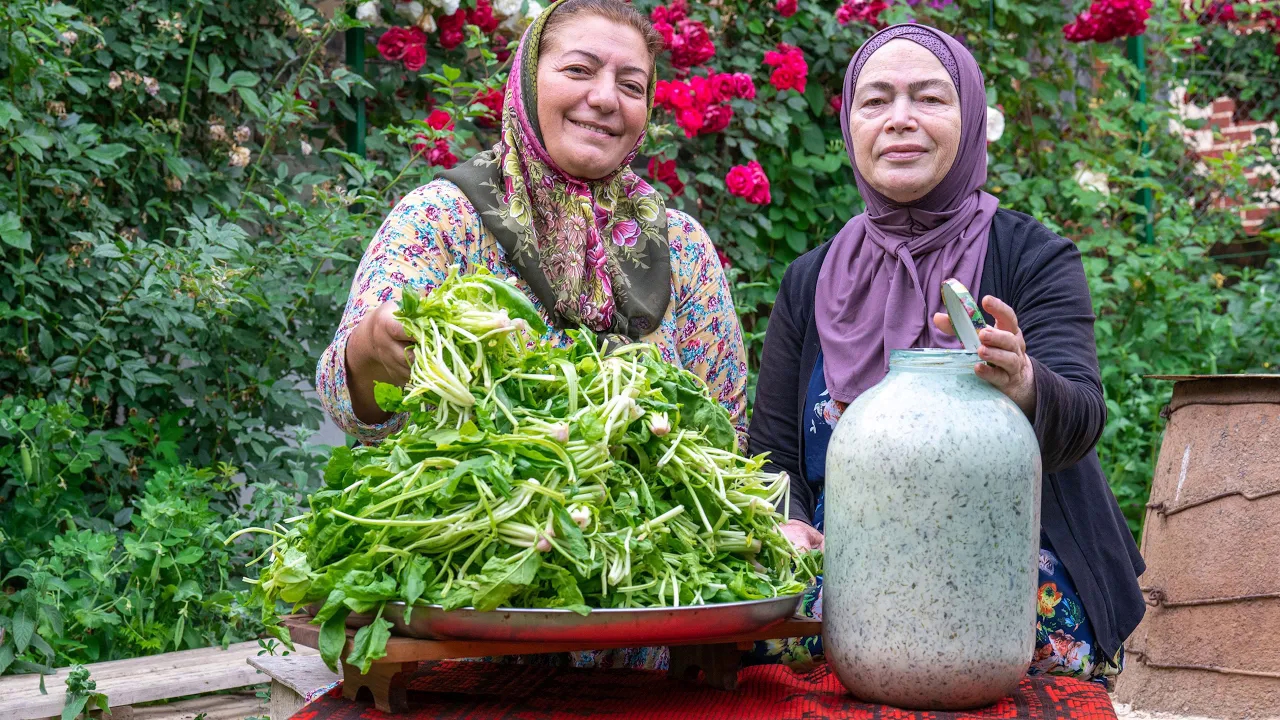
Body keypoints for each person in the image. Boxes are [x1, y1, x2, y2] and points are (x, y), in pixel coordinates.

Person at [315, 0, 747, 669]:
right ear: (527, 78)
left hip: (645, 637)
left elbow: (727, 436)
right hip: (467, 629)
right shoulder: (445, 219)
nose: (605, 99)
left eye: (631, 86)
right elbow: (354, 407)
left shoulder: (681, 249)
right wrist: (373, 350)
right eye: (579, 70)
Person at [746, 24, 1145, 687]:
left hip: (1012, 568)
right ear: (850, 125)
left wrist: (1023, 383)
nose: (900, 120)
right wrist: (788, 523)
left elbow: (1082, 416)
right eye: (876, 101)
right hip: (848, 571)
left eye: (928, 98)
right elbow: (777, 457)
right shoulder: (811, 281)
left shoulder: (1030, 256)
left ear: (971, 120)